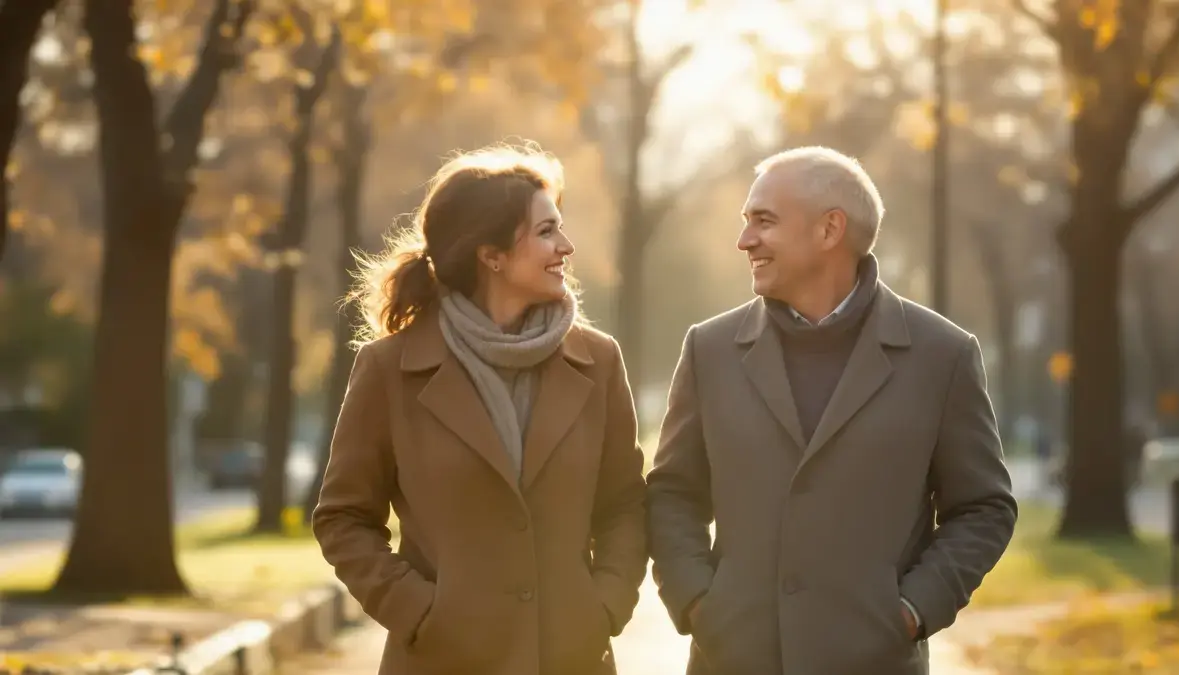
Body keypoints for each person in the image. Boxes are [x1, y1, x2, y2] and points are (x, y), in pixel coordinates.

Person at [646, 146, 1017, 675]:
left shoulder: (944, 355)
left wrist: (911, 612)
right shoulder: (710, 350)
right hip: (732, 661)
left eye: (764, 221)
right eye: (746, 222)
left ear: (829, 230)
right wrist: (698, 604)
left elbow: (983, 508)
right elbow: (671, 494)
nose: (744, 239)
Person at [312, 143, 647, 675]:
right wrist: (419, 612)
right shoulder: (390, 369)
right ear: (491, 254)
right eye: (545, 231)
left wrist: (603, 606)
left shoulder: (598, 361)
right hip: (442, 660)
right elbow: (344, 517)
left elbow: (625, 506)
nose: (566, 245)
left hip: (572, 659)